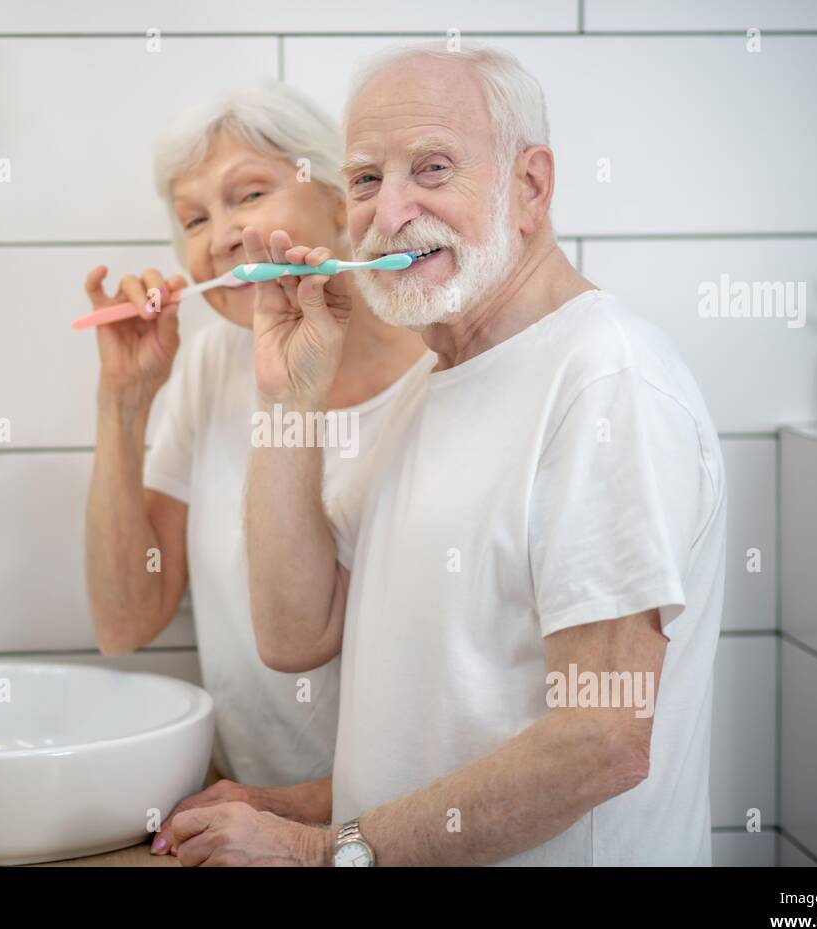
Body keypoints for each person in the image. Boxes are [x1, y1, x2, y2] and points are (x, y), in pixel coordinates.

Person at [171, 42, 727, 866]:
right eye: (365, 179)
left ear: (530, 186)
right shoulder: (438, 383)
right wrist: (287, 397)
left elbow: (601, 739)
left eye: (432, 170)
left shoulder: (606, 382)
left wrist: (321, 852)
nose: (389, 212)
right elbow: (296, 631)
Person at [82, 80, 429, 854]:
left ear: (339, 200)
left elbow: (480, 717)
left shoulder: (441, 377)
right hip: (252, 832)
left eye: (249, 195)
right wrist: (124, 403)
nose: (224, 237)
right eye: (195, 219)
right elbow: (123, 620)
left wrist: (300, 812)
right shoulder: (213, 367)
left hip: (396, 836)